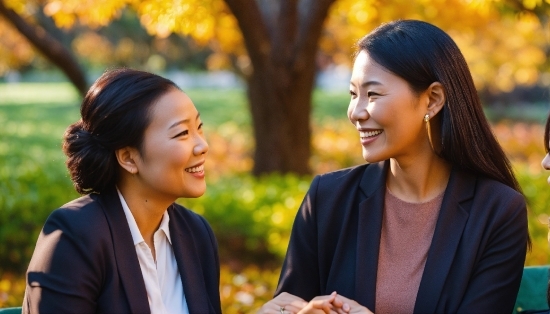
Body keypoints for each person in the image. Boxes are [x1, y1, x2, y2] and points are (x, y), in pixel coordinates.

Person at [259, 20, 529, 314]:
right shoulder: (327, 199)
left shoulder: (498, 212)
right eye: (353, 94)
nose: (356, 112)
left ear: (432, 100)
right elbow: (286, 306)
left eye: (373, 94)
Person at [22, 68, 221, 313]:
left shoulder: (196, 233)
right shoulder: (75, 236)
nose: (202, 146)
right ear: (128, 158)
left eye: (199, 128)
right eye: (182, 133)